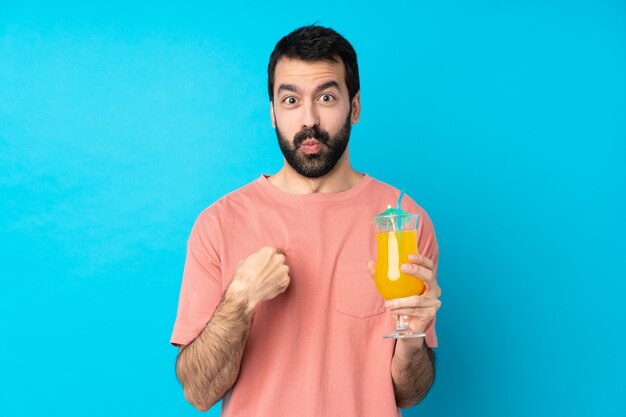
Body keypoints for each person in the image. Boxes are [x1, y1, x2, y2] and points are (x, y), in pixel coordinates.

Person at [170, 25, 442, 416]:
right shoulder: (218, 223)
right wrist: (240, 299)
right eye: (291, 100)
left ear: (355, 107)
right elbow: (198, 392)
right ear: (273, 112)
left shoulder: (404, 221)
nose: (309, 119)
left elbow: (409, 393)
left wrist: (414, 334)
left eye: (327, 97)